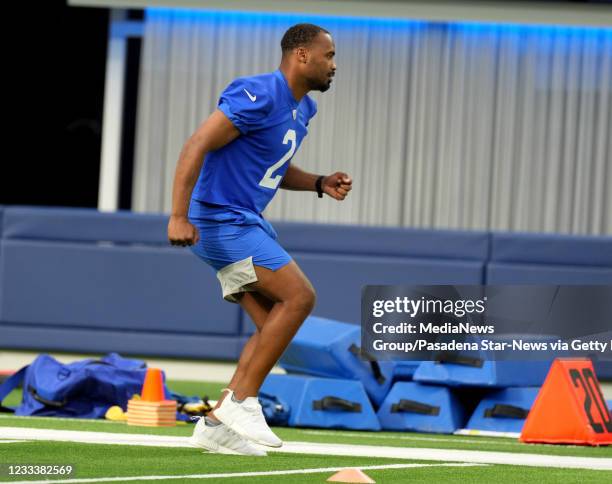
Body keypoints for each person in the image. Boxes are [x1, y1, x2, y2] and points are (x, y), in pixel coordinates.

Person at [168, 23, 352, 456]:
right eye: (329, 56)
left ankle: (216, 423)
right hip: (217, 220)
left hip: (244, 220)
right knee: (300, 297)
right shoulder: (258, 92)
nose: (334, 65)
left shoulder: (303, 109)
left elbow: (274, 163)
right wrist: (177, 214)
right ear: (302, 56)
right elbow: (197, 144)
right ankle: (243, 400)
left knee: (273, 317)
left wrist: (319, 182)